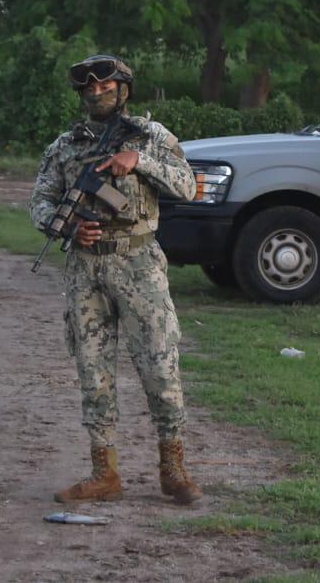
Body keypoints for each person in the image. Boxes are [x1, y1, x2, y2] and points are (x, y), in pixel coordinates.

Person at [29, 54, 202, 506]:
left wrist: (139, 161)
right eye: (88, 89)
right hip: (85, 269)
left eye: (105, 87)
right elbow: (40, 201)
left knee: (160, 365)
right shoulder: (64, 146)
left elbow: (188, 186)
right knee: (93, 371)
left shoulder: (151, 136)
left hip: (138, 262)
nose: (96, 94)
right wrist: (67, 227)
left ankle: (173, 469)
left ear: (123, 90)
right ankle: (103, 472)